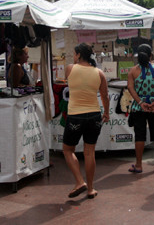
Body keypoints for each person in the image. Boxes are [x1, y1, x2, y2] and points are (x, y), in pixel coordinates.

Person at [63, 43, 109, 199]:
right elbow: (105, 96)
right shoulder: (99, 73)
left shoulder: (70, 68)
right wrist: (107, 113)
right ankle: (90, 189)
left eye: (74, 54)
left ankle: (79, 181)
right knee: (90, 152)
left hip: (75, 115)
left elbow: (67, 80)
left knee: (68, 150)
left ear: (78, 54)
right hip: (94, 116)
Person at [127, 44, 154, 173]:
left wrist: (140, 102)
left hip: (139, 108)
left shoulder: (133, 71)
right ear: (151, 55)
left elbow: (130, 88)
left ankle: (139, 165)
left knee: (140, 135)